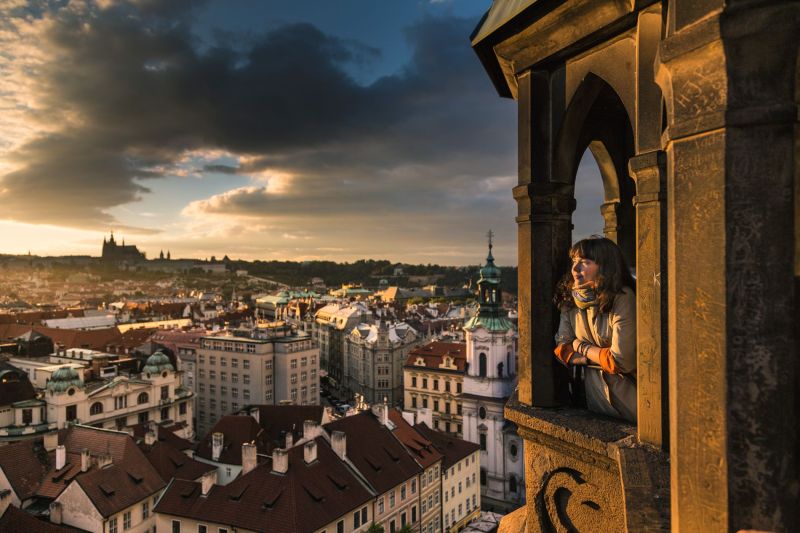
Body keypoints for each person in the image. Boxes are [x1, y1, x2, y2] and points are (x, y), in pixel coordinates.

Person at [553, 236, 637, 423]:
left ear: (605, 266)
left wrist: (580, 347)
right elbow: (562, 349)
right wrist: (600, 357)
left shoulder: (623, 298)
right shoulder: (570, 300)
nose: (575, 268)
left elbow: (621, 361)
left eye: (584, 262)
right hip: (597, 405)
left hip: (632, 404)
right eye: (574, 261)